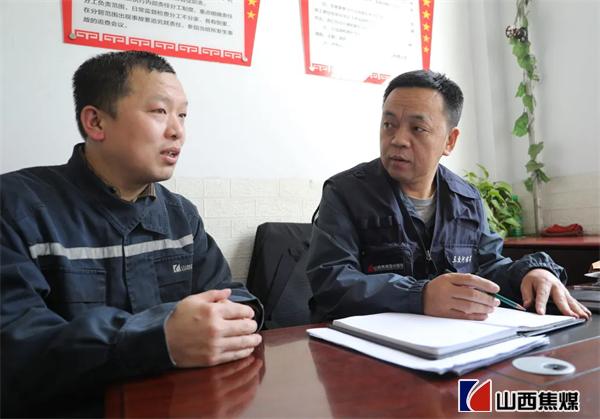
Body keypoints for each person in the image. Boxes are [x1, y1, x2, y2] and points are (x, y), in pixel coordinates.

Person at [0, 50, 263, 417]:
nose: (178, 131)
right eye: (159, 111)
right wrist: (161, 337)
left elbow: (231, 296)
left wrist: (233, 319)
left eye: (182, 115)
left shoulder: (181, 215)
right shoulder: (16, 206)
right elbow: (17, 344)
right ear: (96, 122)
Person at [306, 69, 591, 323]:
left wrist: (529, 273)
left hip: (449, 345)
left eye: (417, 128)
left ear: (450, 141)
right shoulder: (345, 193)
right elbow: (331, 282)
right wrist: (420, 295)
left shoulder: (466, 198)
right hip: (364, 348)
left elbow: (489, 266)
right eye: (388, 124)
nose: (398, 139)